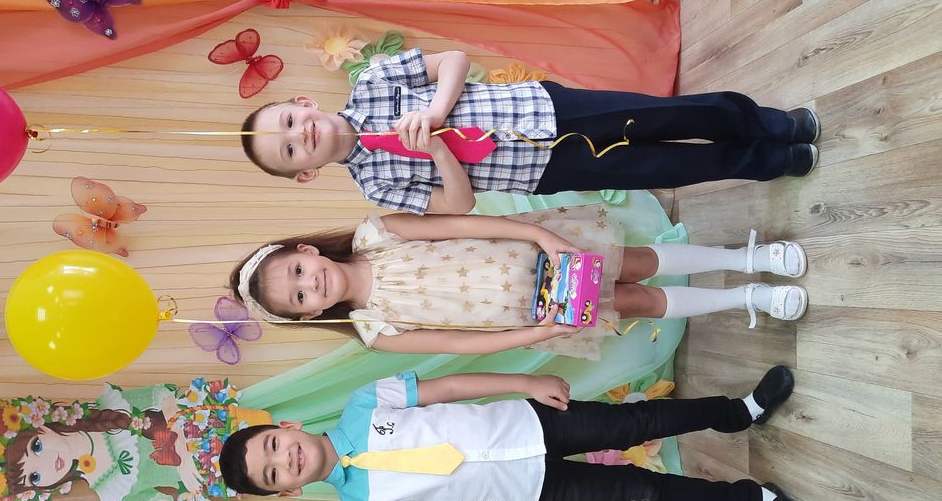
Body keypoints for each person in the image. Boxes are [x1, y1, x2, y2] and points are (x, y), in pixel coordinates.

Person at [218, 367, 818, 501]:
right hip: (530, 496)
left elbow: (450, 389)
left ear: (287, 427)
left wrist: (524, 383)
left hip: (530, 422)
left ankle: (738, 411)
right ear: (288, 491)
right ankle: (754, 500)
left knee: (637, 422)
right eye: (275, 475)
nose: (286, 459)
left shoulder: (363, 402)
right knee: (645, 490)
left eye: (273, 445)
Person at [240, 48, 821, 214]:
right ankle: (771, 161)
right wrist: (438, 151)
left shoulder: (373, 82)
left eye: (289, 121)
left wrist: (437, 110)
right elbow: (460, 204)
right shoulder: (375, 186)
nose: (300, 134)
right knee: (671, 166)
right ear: (305, 174)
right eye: (289, 151)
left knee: (671, 114)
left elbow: (455, 60)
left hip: (547, 107)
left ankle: (772, 124)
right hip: (548, 169)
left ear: (304, 103)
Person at [229, 209, 808, 359]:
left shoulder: (377, 233)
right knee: (642, 302)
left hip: (542, 253)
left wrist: (539, 235)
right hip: (539, 311)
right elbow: (459, 345)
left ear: (306, 250)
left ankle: (746, 256)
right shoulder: (376, 330)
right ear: (310, 314)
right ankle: (745, 296)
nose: (311, 283)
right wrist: (537, 335)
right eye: (300, 297)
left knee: (638, 262)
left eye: (298, 271)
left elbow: (463, 226)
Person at [0, 379, 270, 501]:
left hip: (222, 419)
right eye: (35, 476)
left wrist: (180, 444)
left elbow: (166, 396)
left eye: (36, 447)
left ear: (41, 423)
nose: (48, 463)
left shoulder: (111, 407)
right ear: (42, 489)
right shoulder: (108, 485)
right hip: (230, 470)